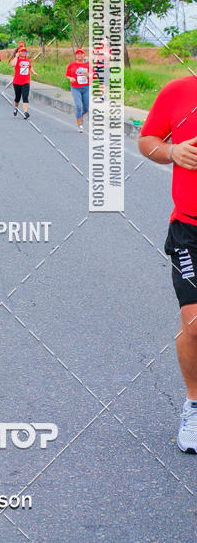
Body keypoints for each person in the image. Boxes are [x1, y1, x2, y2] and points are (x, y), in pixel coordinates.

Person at [139, 75, 197, 453]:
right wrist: (172, 152)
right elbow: (147, 141)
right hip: (190, 229)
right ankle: (194, 405)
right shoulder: (178, 91)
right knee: (194, 325)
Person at [65, 48, 92, 132]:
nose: (80, 56)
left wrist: (89, 75)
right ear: (75, 56)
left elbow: (93, 75)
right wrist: (70, 78)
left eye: (81, 54)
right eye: (78, 54)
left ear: (84, 55)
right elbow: (67, 76)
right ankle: (79, 125)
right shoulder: (72, 65)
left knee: (86, 108)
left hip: (86, 88)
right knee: (78, 106)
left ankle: (79, 116)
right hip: (75, 88)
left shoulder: (88, 65)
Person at [11, 44, 38, 119]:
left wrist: (34, 72)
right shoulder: (16, 59)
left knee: (25, 97)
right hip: (17, 82)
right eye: (22, 51)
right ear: (18, 52)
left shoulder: (27, 60)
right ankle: (16, 108)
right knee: (17, 97)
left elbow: (30, 67)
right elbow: (13, 65)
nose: (23, 52)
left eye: (24, 51)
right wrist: (16, 57)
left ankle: (25, 112)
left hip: (26, 81)